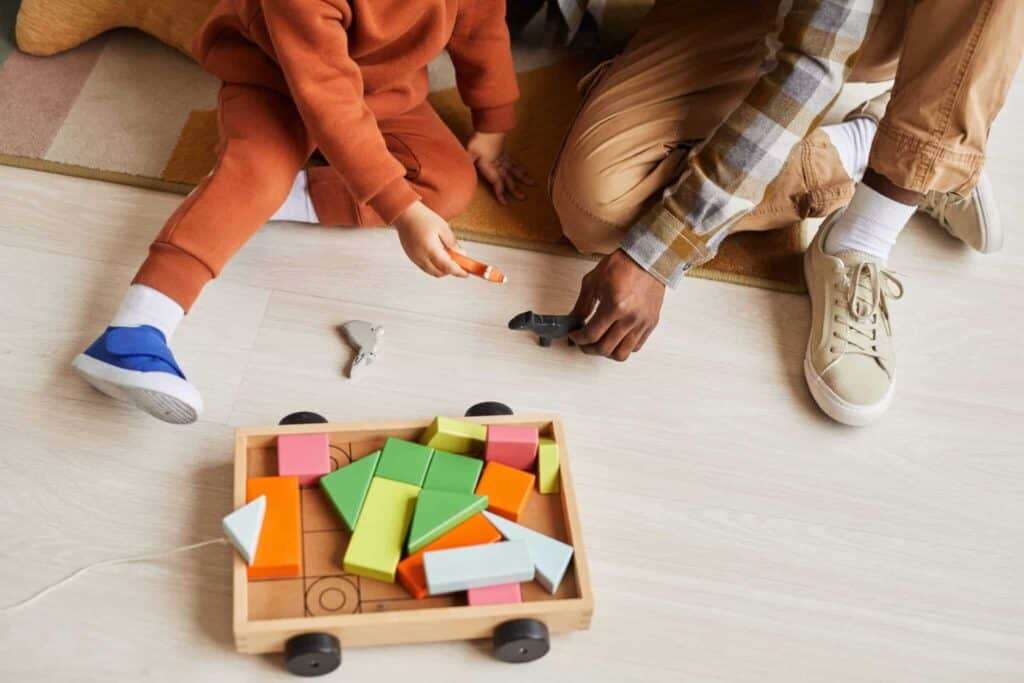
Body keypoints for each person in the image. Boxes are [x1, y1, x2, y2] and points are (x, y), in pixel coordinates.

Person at [551, 0, 1022, 425]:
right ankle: (875, 145)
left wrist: (658, 254)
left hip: (890, 20)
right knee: (594, 209)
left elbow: (812, 62)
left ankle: (882, 206)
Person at [72, 0, 532, 424]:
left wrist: (493, 124)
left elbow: (482, 29)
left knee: (448, 183)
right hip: (274, 81)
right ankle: (134, 331)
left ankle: (260, 201)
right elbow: (329, 100)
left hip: (383, 92)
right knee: (257, 172)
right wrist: (401, 210)